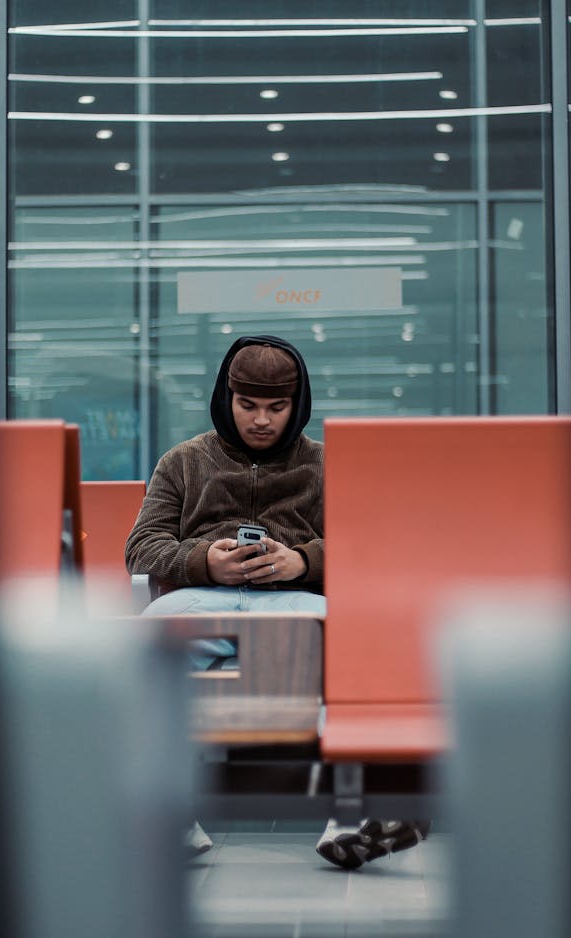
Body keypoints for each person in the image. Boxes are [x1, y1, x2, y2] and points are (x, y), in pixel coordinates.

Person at [125, 334, 427, 870]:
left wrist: (303, 562)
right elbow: (140, 548)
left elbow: (368, 547)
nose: (261, 420)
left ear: (297, 404)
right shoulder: (183, 462)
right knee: (142, 652)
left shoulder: (327, 465)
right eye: (248, 406)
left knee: (356, 656)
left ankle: (354, 817)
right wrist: (204, 561)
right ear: (227, 398)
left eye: (276, 407)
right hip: (203, 601)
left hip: (296, 604)